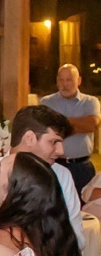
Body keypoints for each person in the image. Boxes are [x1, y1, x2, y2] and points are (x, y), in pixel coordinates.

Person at [0, 103, 85, 248]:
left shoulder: (62, 176)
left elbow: (77, 237)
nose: (61, 151)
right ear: (29, 138)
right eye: (54, 142)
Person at [42, 63, 99, 191]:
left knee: (83, 207)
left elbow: (92, 125)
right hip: (54, 165)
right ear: (57, 81)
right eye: (61, 80)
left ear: (78, 81)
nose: (64, 84)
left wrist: (61, 122)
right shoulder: (46, 102)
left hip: (81, 167)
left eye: (69, 80)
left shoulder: (90, 102)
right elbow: (45, 129)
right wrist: (78, 125)